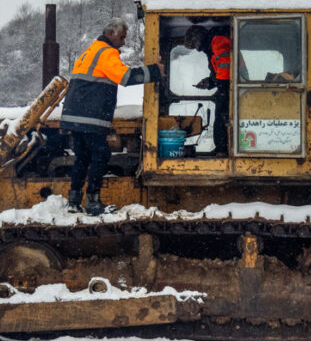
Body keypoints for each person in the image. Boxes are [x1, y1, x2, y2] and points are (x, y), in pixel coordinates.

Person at [60, 18, 164, 215]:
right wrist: (154, 71)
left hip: (75, 115)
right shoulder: (106, 53)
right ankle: (93, 201)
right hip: (90, 117)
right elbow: (125, 77)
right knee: (101, 154)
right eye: (122, 37)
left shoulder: (91, 50)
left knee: (82, 157)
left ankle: (73, 201)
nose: (123, 43)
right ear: (111, 34)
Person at [186, 25, 231, 155]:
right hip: (228, 85)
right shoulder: (211, 47)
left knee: (222, 117)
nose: (197, 49)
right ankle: (222, 149)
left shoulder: (217, 40)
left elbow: (226, 64)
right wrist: (209, 82)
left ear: (198, 38)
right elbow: (219, 71)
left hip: (230, 87)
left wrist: (222, 87)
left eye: (195, 45)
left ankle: (222, 150)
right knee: (221, 116)